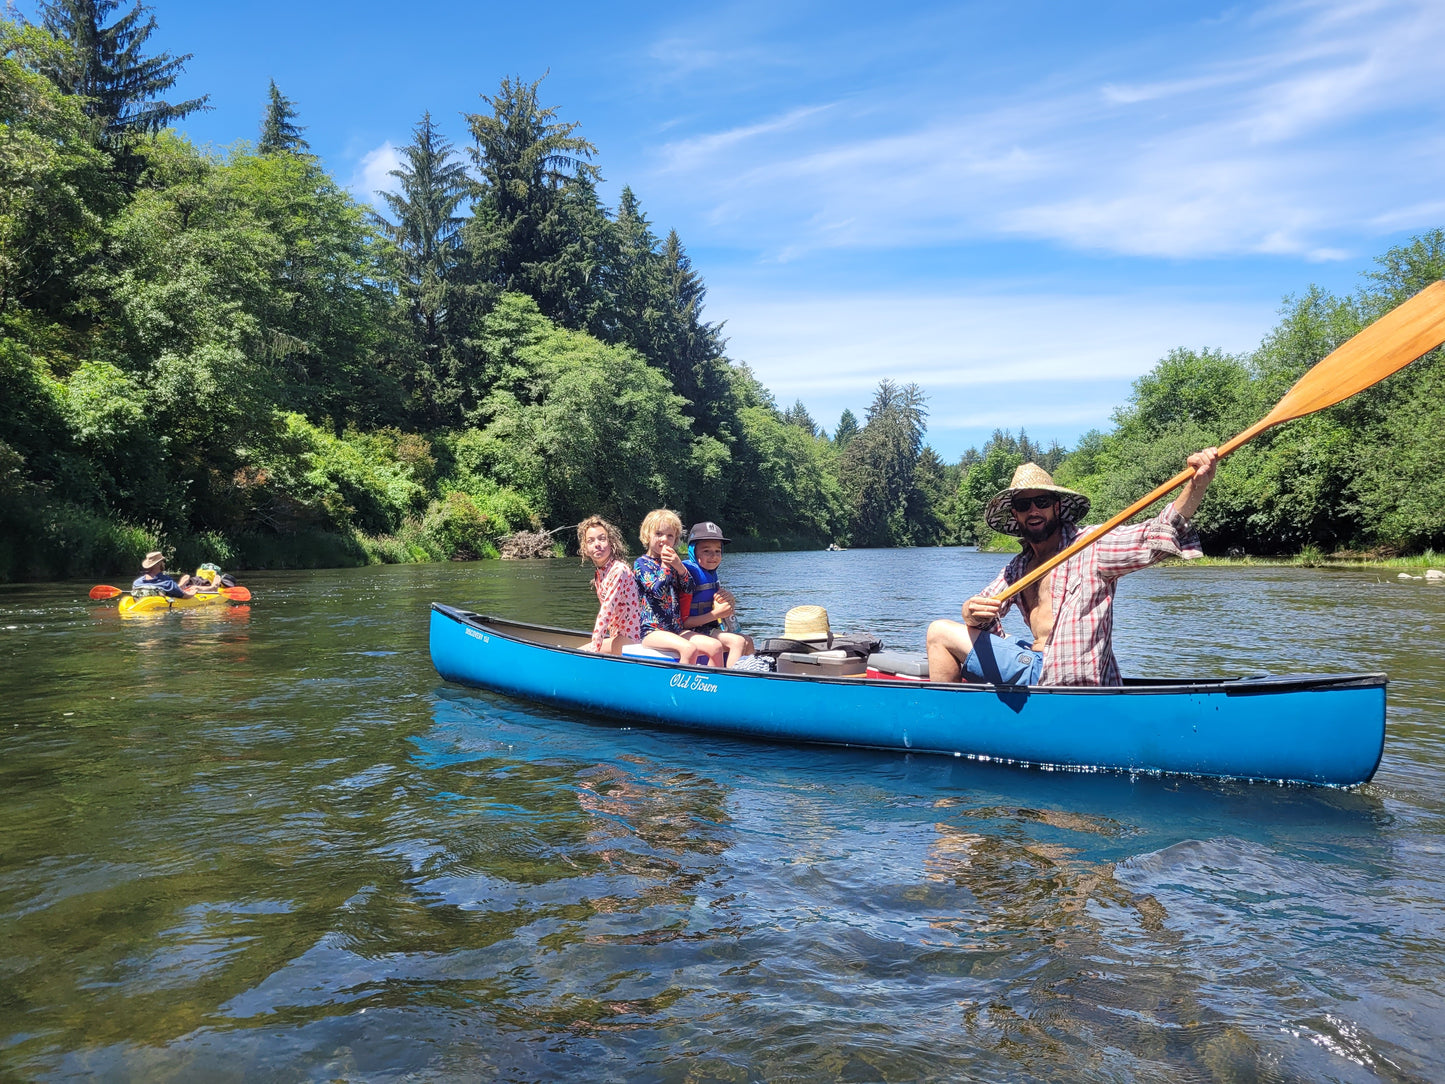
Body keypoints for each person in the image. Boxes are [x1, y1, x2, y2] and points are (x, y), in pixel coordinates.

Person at [926, 449, 1220, 687]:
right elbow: (981, 610)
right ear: (1015, 514)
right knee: (947, 630)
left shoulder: (1091, 545)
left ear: (1057, 506)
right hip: (1033, 665)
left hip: (1066, 679)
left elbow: (1154, 537)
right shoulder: (1018, 567)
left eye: (1041, 502)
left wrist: (1197, 484)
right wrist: (969, 611)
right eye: (1024, 505)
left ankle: (938, 719)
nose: (1033, 511)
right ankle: (950, 716)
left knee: (938, 633)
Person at [633, 509, 725, 666]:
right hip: (653, 631)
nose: (665, 539)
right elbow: (658, 592)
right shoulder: (641, 564)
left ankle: (715, 686)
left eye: (670, 536)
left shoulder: (675, 563)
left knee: (716, 647)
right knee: (689, 649)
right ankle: (683, 687)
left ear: (675, 540)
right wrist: (666, 565)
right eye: (659, 534)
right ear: (647, 536)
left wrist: (680, 567)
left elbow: (689, 589)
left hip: (676, 629)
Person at [681, 521, 755, 666]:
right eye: (706, 551)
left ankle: (755, 676)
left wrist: (729, 602)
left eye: (717, 551)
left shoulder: (711, 574)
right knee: (737, 642)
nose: (713, 556)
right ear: (693, 551)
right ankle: (729, 682)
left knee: (749, 641)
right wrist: (716, 614)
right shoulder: (687, 574)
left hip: (708, 627)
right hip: (691, 629)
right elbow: (684, 621)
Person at [577, 515, 643, 655]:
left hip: (630, 638)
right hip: (617, 637)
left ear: (611, 542)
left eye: (602, 538)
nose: (597, 544)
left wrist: (594, 649)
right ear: (585, 548)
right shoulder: (600, 573)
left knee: (578, 652)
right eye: (590, 541)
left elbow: (605, 613)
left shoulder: (618, 570)